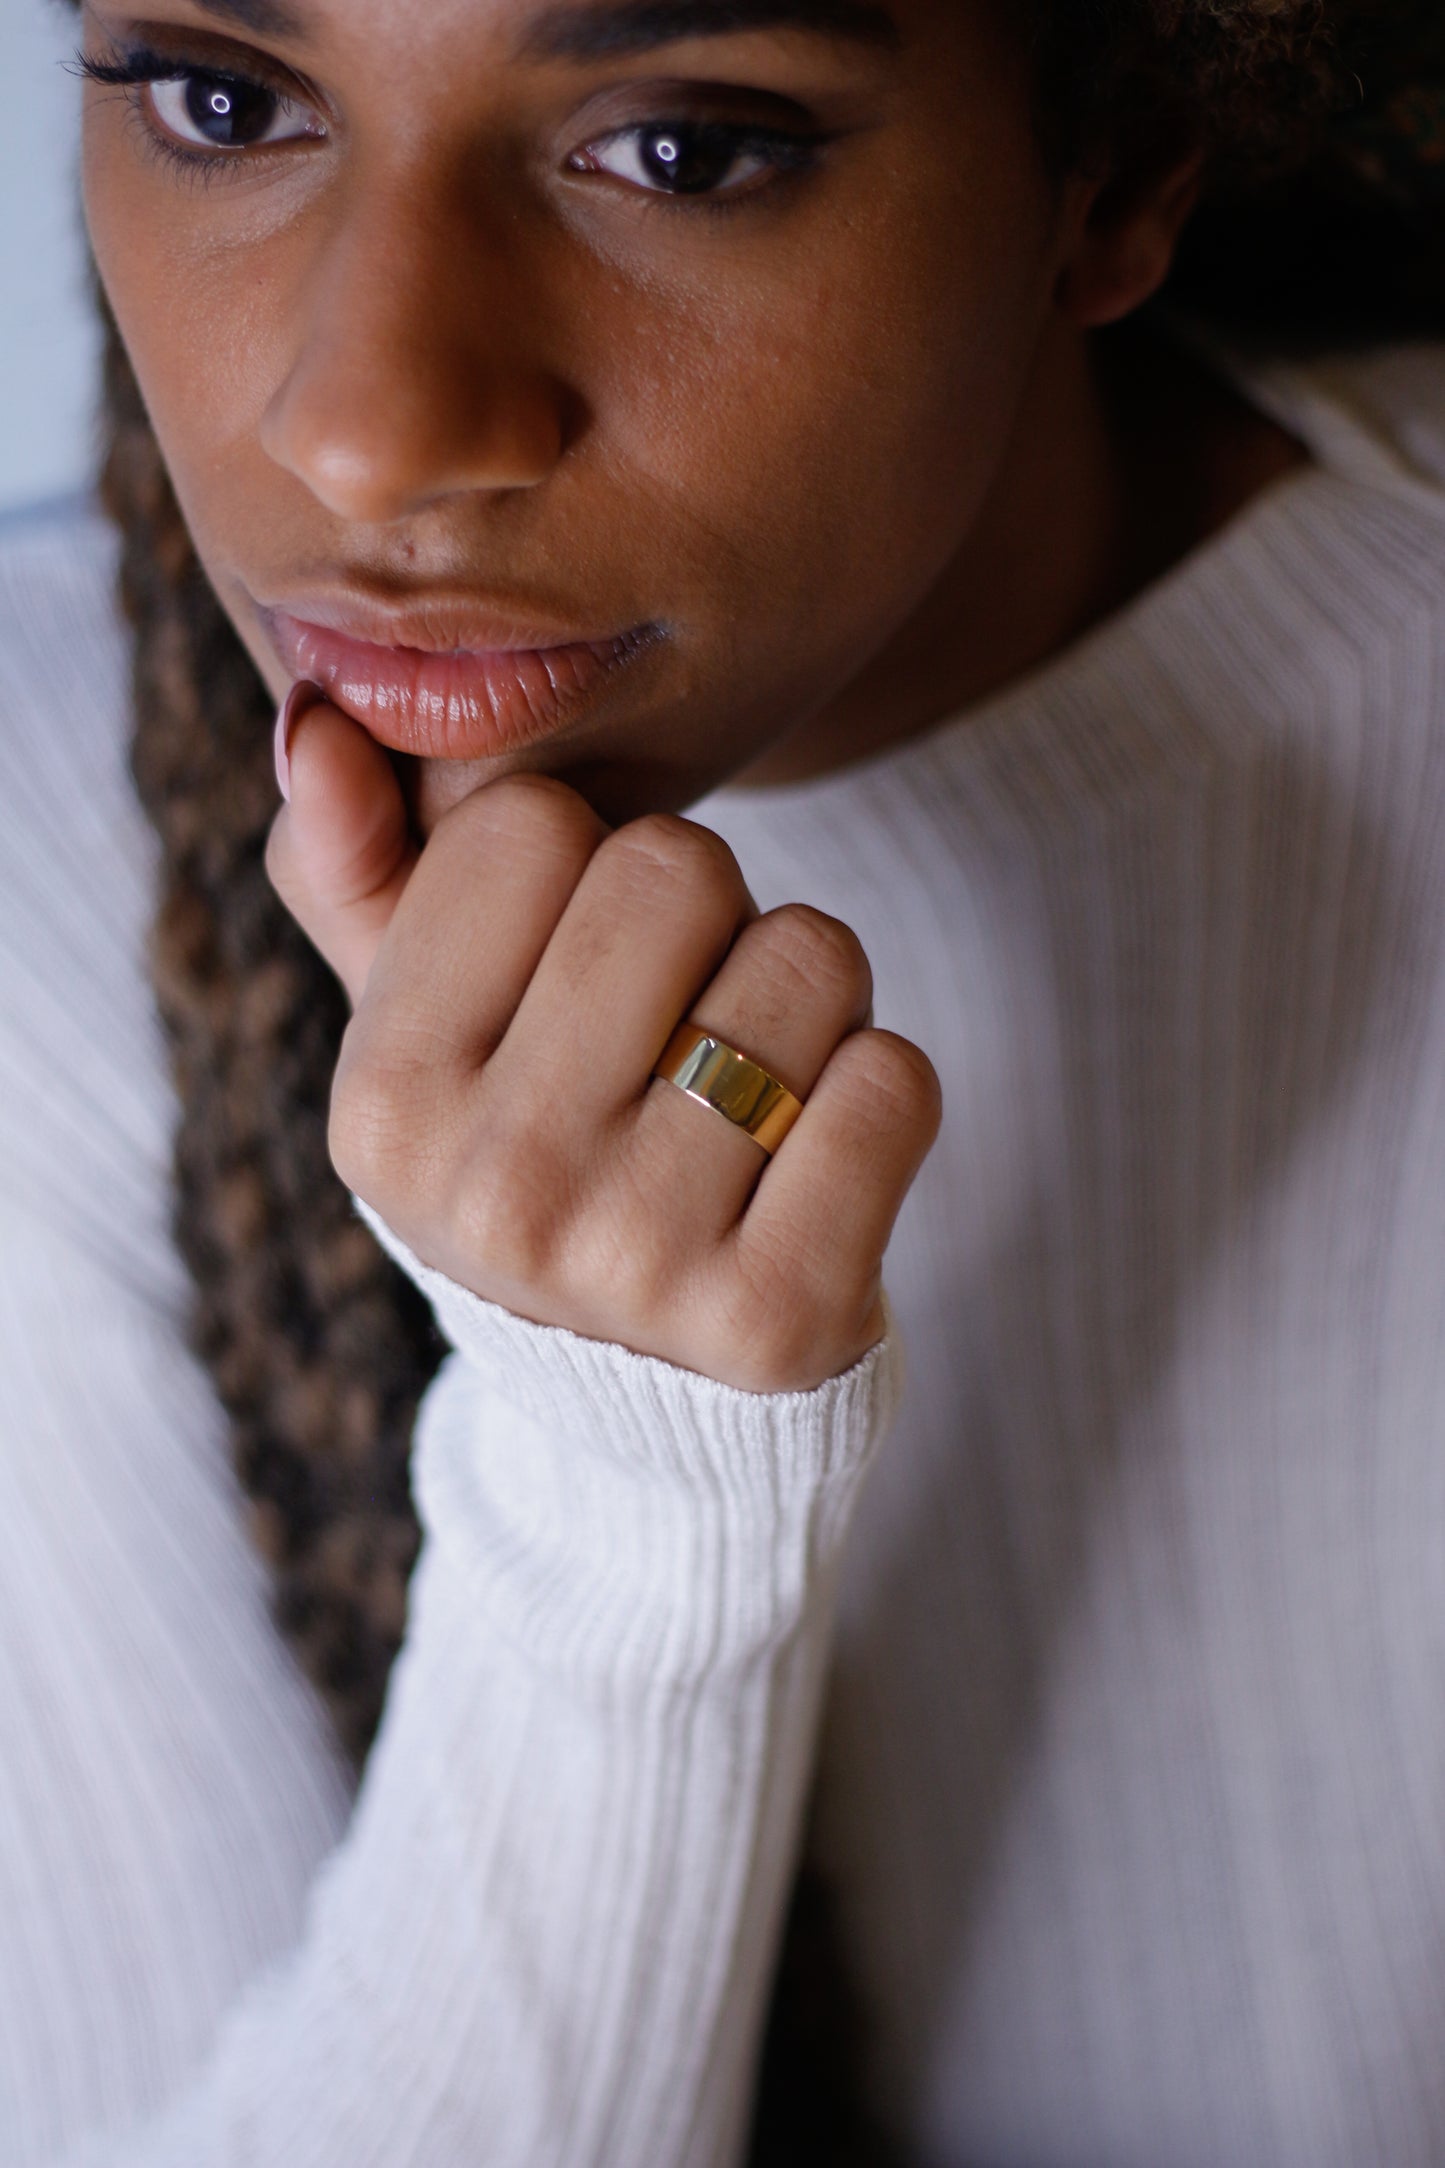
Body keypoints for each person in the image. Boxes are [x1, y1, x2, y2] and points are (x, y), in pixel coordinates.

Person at [2, 0, 1443, 2159]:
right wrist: (633, 1505)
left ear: (1125, 155)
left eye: (680, 148)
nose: (370, 435)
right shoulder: (42, 836)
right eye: (227, 101)